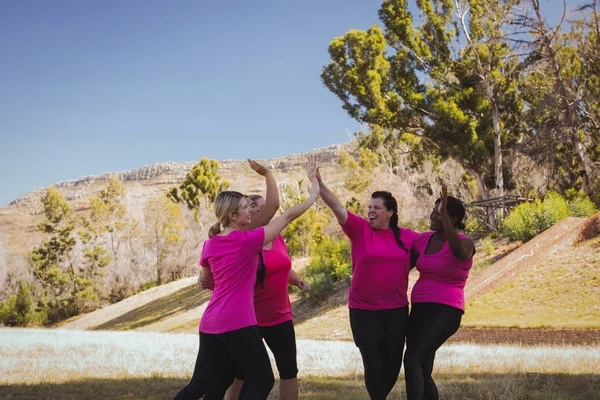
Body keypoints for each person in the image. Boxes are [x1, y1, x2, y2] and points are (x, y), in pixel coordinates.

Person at [174, 156, 320, 400]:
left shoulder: (210, 243)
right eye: (245, 208)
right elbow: (285, 216)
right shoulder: (246, 241)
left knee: (206, 384)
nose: (250, 211)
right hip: (237, 322)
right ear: (232, 215)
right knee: (263, 380)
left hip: (210, 322)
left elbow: (207, 282)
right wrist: (313, 194)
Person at [316, 168, 419, 400]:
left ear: (389, 212)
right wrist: (319, 183)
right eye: (369, 207)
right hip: (363, 311)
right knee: (372, 362)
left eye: (377, 207)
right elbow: (337, 207)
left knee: (393, 363)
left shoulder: (407, 237)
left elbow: (430, 249)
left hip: (396, 311)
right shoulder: (359, 230)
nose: (371, 211)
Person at [202, 193, 310, 400]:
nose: (257, 211)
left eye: (258, 207)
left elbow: (282, 265)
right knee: (239, 374)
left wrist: (297, 280)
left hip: (280, 314)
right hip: (249, 319)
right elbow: (218, 277)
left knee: (288, 369)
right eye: (253, 207)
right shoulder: (248, 239)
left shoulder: (275, 237)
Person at [403, 183, 475, 400]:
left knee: (412, 359)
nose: (433, 216)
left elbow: (458, 252)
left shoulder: (466, 243)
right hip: (419, 309)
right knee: (422, 367)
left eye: (439, 213)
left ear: (452, 219)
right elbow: (404, 265)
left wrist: (444, 218)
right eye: (434, 212)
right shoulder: (424, 239)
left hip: (446, 311)